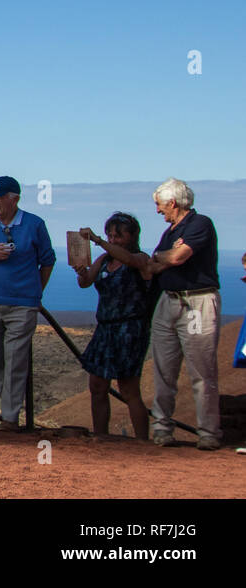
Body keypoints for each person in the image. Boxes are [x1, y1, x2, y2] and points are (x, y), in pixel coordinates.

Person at [87, 179, 221, 450]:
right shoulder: (171, 232)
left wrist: (163, 258)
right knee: (164, 370)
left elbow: (172, 259)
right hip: (168, 302)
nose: (158, 210)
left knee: (201, 371)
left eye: (160, 205)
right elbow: (154, 264)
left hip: (195, 302)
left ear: (172, 202)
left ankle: (208, 432)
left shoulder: (199, 224)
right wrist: (161, 259)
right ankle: (162, 430)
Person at [0, 176, 55, 431]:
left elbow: (48, 261)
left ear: (14, 199)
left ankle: (11, 418)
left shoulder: (34, 224)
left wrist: (35, 294)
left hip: (23, 304)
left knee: (15, 361)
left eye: (0, 196)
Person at [76, 213, 154, 439]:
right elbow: (86, 282)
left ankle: (141, 441)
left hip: (129, 329)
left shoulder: (140, 258)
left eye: (118, 236)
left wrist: (99, 241)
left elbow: (131, 261)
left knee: (129, 389)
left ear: (131, 236)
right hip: (105, 329)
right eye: (110, 235)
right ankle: (101, 436)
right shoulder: (103, 260)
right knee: (97, 386)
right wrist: (82, 272)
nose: (113, 239)